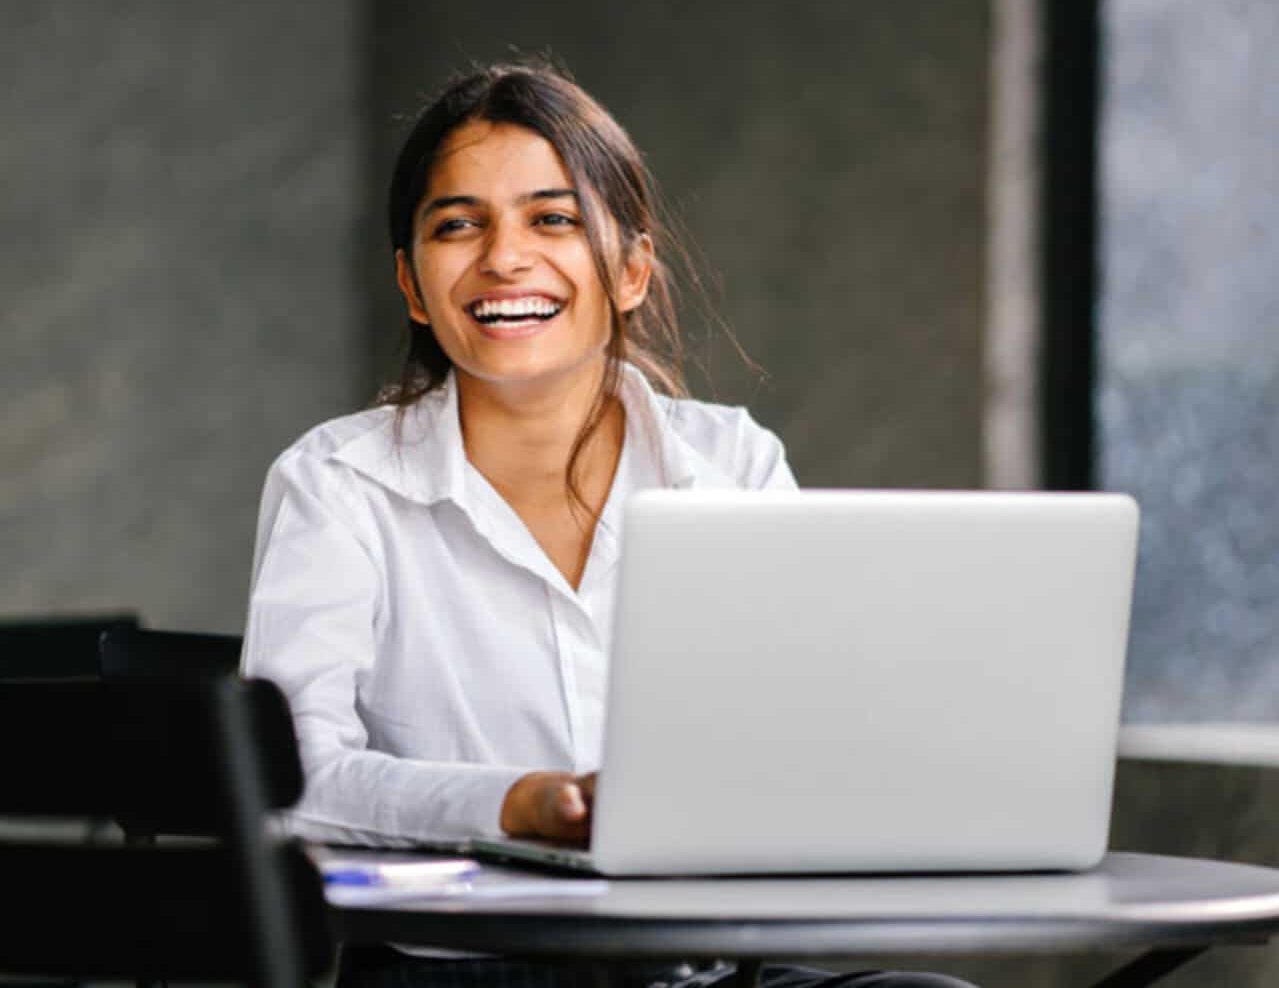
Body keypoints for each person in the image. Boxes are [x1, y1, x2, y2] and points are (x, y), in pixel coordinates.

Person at [243, 62, 977, 988]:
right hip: (463, 975)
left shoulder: (734, 465)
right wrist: (517, 805)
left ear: (630, 270)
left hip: (710, 968)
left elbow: (808, 732)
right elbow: (289, 778)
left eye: (552, 219)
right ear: (413, 285)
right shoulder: (338, 485)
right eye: (458, 225)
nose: (504, 257)